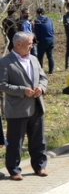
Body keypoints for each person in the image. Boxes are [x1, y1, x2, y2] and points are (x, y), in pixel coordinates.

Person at [0, 32, 48, 179]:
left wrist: (41, 87)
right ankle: (14, 170)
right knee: (16, 142)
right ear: (18, 44)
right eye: (29, 44)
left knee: (38, 140)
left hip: (36, 105)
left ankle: (40, 166)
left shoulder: (33, 59)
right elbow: (2, 85)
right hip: (17, 108)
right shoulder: (5, 62)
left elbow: (43, 77)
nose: (31, 46)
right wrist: (22, 91)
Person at [32, 8, 56, 74]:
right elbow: (52, 29)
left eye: (36, 13)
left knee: (40, 56)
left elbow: (37, 32)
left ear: (38, 13)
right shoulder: (49, 19)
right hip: (51, 39)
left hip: (43, 40)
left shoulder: (37, 21)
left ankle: (40, 71)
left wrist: (37, 40)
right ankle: (51, 70)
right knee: (50, 56)